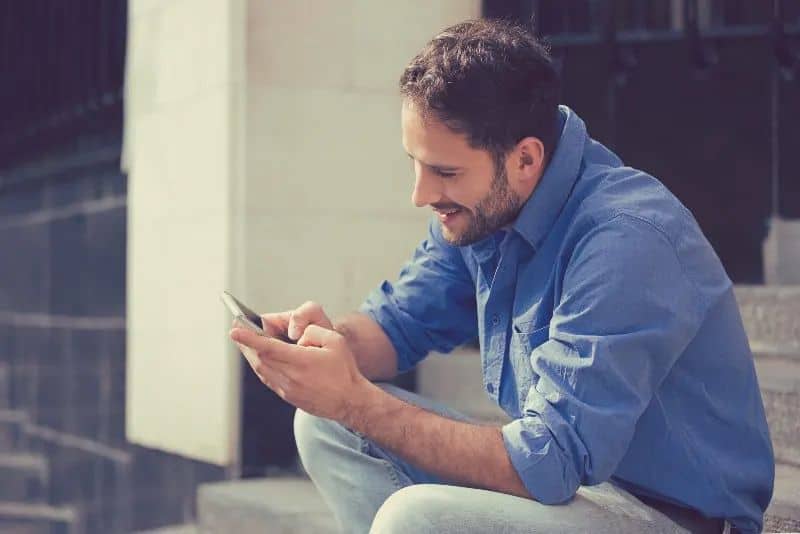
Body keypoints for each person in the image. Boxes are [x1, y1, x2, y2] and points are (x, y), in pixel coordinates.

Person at [230, 18, 774, 534]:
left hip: (672, 518)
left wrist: (353, 398)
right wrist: (323, 348)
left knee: (416, 518)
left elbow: (552, 460)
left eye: (445, 172)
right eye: (416, 165)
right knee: (326, 426)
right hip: (576, 495)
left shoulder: (627, 238)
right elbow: (395, 326)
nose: (420, 195)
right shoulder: (485, 211)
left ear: (526, 160)